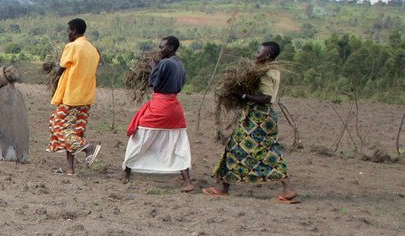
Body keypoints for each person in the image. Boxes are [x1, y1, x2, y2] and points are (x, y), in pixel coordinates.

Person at [204, 41, 298, 203]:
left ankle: (287, 188)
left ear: (267, 55)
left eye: (259, 52)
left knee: (244, 149)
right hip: (262, 117)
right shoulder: (273, 70)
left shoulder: (267, 73)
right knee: (254, 149)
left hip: (257, 118)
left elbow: (266, 97)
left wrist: (243, 96)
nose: (256, 55)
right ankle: (225, 187)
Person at [122, 36, 194, 192]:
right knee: (177, 144)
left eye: (162, 47)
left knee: (139, 138)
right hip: (175, 109)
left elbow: (152, 82)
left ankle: (126, 172)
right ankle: (187, 181)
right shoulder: (180, 64)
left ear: (171, 48)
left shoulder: (164, 63)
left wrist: (154, 67)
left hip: (159, 107)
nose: (159, 50)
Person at [47, 18, 101, 175]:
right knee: (73, 131)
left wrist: (55, 65)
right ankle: (69, 168)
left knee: (57, 126)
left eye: (68, 31)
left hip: (71, 96)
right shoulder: (92, 49)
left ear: (74, 31)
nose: (68, 34)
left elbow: (60, 69)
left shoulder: (72, 46)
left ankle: (88, 148)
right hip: (85, 97)